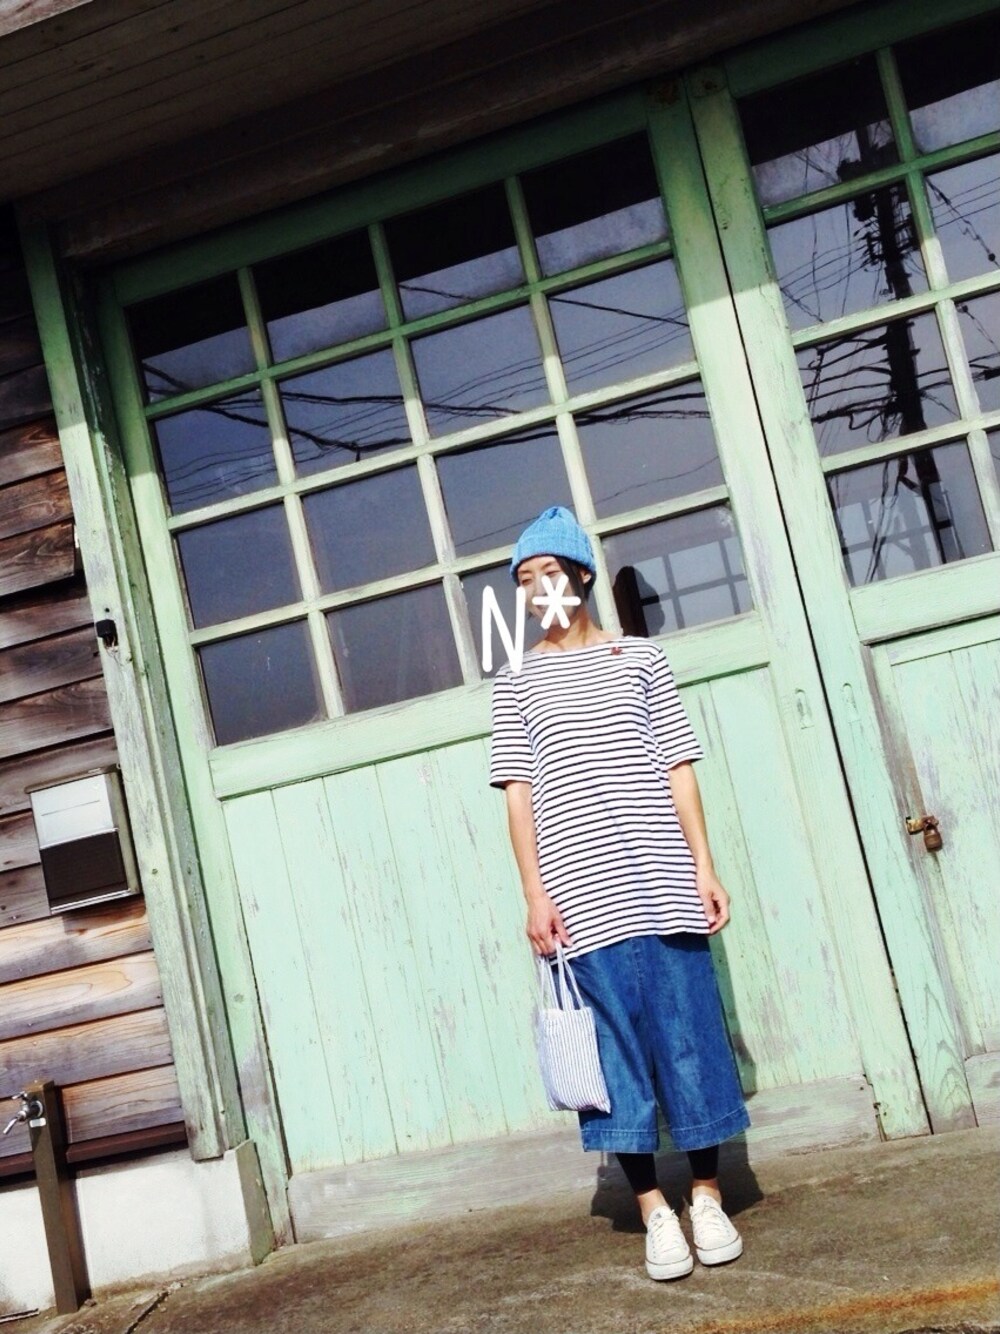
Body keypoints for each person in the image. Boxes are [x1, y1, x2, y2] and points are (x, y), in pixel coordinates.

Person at [488, 505, 751, 1282]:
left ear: (580, 576)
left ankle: (706, 1195)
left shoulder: (642, 659)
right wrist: (534, 894)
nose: (537, 590)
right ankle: (653, 1210)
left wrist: (703, 866)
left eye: (548, 573)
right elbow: (518, 796)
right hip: (581, 898)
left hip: (664, 883)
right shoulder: (516, 682)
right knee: (612, 1059)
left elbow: (678, 767)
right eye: (524, 580)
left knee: (690, 1038)